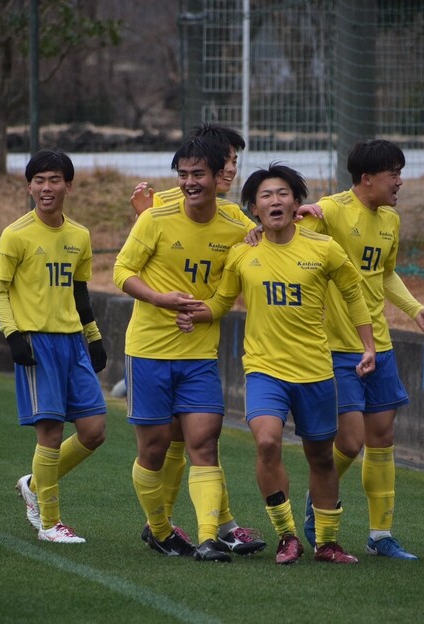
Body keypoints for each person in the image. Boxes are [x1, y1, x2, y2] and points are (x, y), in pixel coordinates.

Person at [176, 164, 376, 565]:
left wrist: (366, 345)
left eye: (282, 193)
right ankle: (287, 536)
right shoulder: (242, 253)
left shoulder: (323, 248)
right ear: (254, 208)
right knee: (267, 441)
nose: (275, 201)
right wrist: (195, 313)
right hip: (265, 369)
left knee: (320, 457)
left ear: (297, 203)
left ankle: (328, 543)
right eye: (266, 196)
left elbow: (354, 290)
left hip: (316, 370)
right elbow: (221, 302)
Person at [113, 136, 265, 563]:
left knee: (204, 443)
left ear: (220, 178)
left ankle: (209, 538)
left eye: (198, 175)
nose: (189, 183)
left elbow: (251, 263)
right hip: (148, 351)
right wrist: (161, 298)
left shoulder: (237, 227)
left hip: (199, 355)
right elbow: (122, 271)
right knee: (155, 448)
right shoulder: (156, 218)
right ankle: (160, 530)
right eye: (182, 175)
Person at [296, 139, 424, 560]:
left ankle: (380, 536)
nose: (400, 181)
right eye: (393, 172)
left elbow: (386, 274)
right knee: (351, 441)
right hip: (335, 348)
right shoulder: (331, 209)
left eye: (400, 171)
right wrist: (295, 218)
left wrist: (415, 310)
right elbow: (292, 247)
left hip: (379, 346)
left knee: (383, 437)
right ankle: (319, 495)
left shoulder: (390, 220)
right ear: (366, 178)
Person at [0, 150, 108, 544]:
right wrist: (13, 336)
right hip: (36, 343)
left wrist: (93, 337)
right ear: (29, 186)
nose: (46, 188)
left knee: (94, 431)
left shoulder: (79, 235)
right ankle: (50, 523)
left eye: (54, 180)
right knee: (51, 433)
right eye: (38, 180)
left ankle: (35, 484)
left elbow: (80, 292)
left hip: (72, 343)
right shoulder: (16, 234)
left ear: (68, 186)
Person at [129, 122, 246, 220]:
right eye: (224, 161)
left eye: (234, 162)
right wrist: (142, 217)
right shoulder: (160, 202)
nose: (231, 169)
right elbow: (141, 241)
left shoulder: (232, 211)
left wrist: (254, 234)